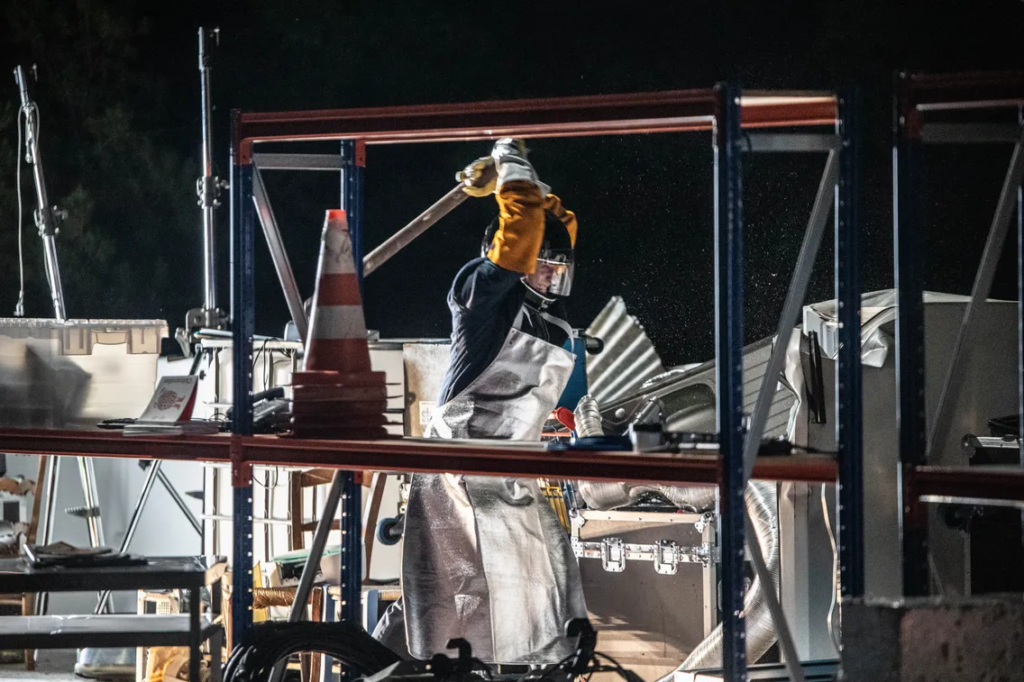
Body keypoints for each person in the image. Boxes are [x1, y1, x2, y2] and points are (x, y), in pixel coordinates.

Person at [373, 139, 587, 666]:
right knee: (445, 595)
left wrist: (517, 185)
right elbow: (524, 229)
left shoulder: (546, 313)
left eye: (557, 268)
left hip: (508, 469)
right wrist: (509, 158)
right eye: (542, 266)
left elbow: (559, 223)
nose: (550, 276)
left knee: (542, 583)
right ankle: (377, 666)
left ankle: (517, 670)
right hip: (460, 472)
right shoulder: (482, 295)